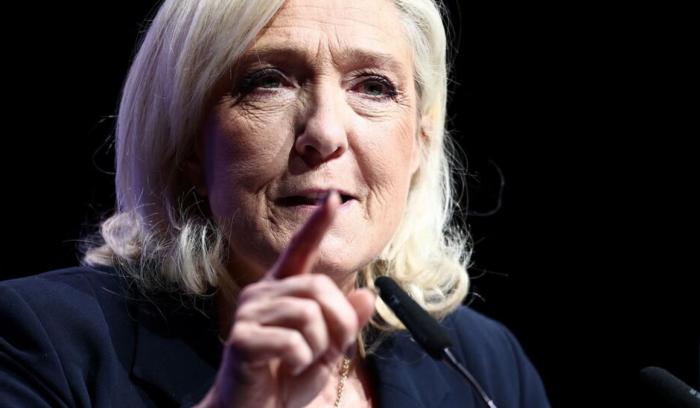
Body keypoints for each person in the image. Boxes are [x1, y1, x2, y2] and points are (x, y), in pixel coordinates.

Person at [0, 0, 550, 406]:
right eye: (268, 81)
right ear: (188, 143)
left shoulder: (486, 366)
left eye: (373, 87)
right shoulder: (41, 340)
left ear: (420, 145)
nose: (325, 132)